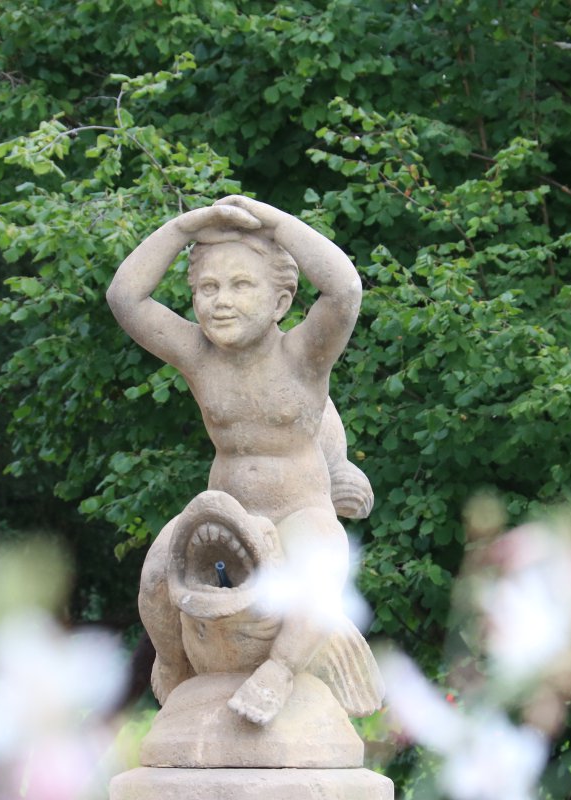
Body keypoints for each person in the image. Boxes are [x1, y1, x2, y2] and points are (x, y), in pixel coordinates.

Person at [107, 195, 376, 725]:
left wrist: (274, 221)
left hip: (298, 509)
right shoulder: (199, 356)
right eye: (207, 288)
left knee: (322, 559)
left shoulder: (304, 355)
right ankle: (175, 663)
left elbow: (344, 289)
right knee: (157, 572)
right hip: (227, 512)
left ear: (280, 302)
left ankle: (279, 671)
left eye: (240, 285)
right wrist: (186, 227)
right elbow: (125, 297)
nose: (220, 302)